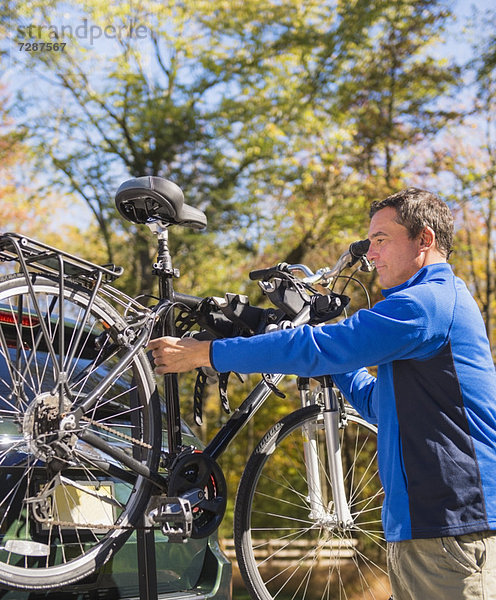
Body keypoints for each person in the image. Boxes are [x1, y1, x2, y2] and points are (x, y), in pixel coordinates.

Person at [147, 187, 496, 600]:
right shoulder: (421, 308)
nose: (372, 254)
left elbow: (319, 349)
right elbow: (377, 405)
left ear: (424, 240)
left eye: (381, 240)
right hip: (424, 528)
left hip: (452, 525)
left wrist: (207, 353)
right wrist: (331, 353)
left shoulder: (427, 303)